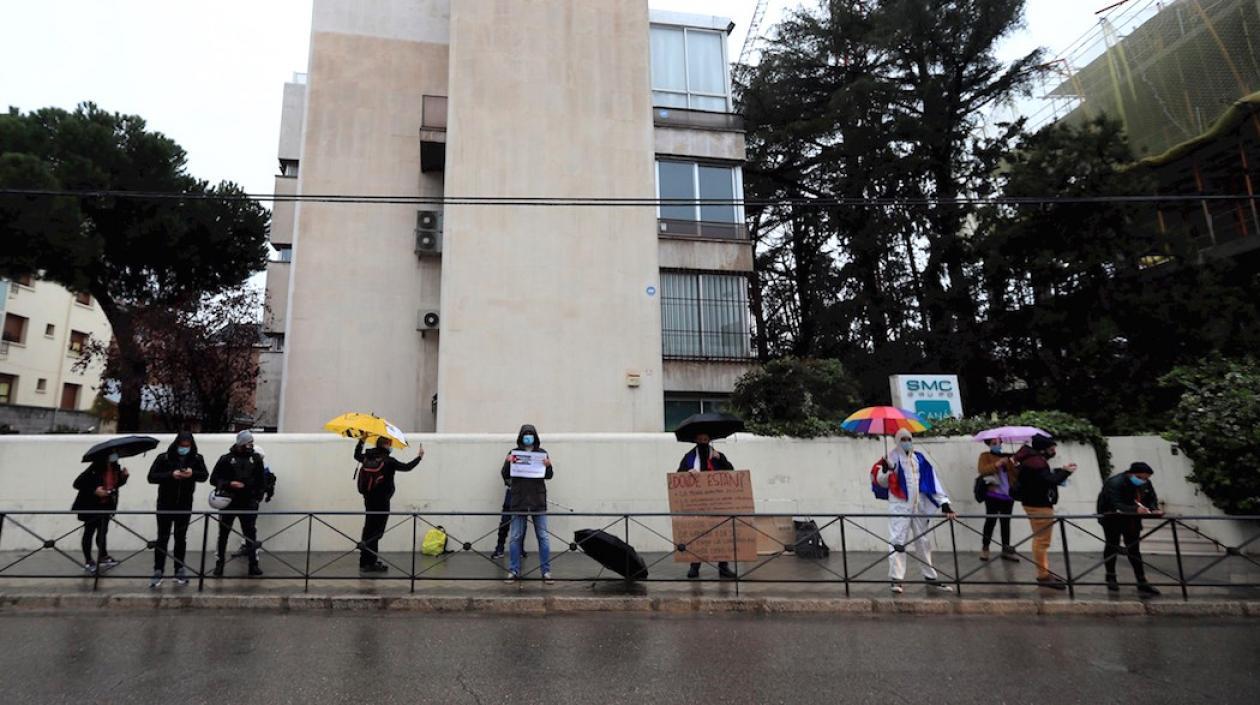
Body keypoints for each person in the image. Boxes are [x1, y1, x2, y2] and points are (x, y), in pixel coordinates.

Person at [874, 429, 956, 593]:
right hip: (899, 505)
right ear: (897, 441)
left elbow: (932, 481)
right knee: (897, 540)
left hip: (919, 506)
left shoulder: (919, 458)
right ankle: (896, 579)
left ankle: (930, 577)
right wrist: (886, 470)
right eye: (902, 439)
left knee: (923, 541)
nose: (906, 441)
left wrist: (944, 503)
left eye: (908, 438)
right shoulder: (890, 458)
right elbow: (881, 482)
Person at [1012, 434, 1077, 589]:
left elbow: (1041, 478)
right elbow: (1049, 480)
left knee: (1040, 540)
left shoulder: (1032, 461)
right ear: (1043, 450)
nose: (1054, 451)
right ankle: (1043, 576)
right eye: (1052, 448)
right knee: (1042, 541)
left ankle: (1044, 573)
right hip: (1039, 505)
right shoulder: (1036, 463)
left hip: (1032, 503)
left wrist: (1059, 471)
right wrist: (1066, 472)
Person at [147, 432, 208, 588]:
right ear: (177, 444)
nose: (184, 448)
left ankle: (179, 568)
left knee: (181, 538)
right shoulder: (164, 457)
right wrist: (171, 475)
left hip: (184, 504)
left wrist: (192, 473)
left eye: (187, 446)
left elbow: (204, 475)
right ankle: (158, 569)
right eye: (182, 445)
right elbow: (152, 477)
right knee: (162, 537)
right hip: (165, 503)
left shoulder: (196, 458)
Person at [353, 436, 423, 572]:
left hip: (368, 499)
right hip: (383, 502)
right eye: (390, 444)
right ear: (385, 445)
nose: (391, 447)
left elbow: (356, 455)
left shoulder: (367, 457)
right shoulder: (389, 461)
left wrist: (362, 440)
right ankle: (370, 563)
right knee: (377, 532)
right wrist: (419, 457)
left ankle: (365, 561)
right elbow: (407, 467)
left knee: (368, 529)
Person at [676, 432, 737, 580]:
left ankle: (723, 567)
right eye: (700, 438)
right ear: (695, 439)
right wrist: (687, 473)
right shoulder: (689, 457)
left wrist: (720, 459)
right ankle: (694, 567)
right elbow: (678, 475)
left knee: (721, 534)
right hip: (697, 503)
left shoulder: (717, 455)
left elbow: (731, 472)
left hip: (717, 502)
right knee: (697, 534)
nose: (703, 440)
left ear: (709, 439)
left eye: (706, 438)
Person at [1097, 461, 1161, 596]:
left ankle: (1142, 581)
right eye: (1141, 477)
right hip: (1112, 518)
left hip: (1132, 519)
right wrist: (1135, 509)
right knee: (1112, 545)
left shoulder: (1145, 483)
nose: (1144, 481)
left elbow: (1151, 497)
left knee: (1134, 549)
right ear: (1131, 473)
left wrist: (1154, 508)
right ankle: (1111, 577)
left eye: (1146, 478)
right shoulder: (1114, 482)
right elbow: (1116, 502)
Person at [501, 424, 553, 584]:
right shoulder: (513, 453)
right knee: (515, 537)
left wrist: (549, 466)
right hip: (519, 501)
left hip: (537, 501)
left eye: (531, 433)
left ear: (535, 436)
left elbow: (549, 476)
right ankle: (513, 571)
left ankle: (546, 572)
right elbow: (505, 474)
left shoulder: (542, 453)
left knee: (543, 537)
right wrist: (507, 462)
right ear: (521, 436)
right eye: (526, 433)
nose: (528, 436)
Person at [210, 430, 266, 577]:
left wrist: (256, 498)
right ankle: (219, 564)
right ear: (240, 443)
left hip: (248, 502)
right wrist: (229, 484)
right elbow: (214, 479)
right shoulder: (226, 459)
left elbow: (261, 481)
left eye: (251, 443)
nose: (250, 445)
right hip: (229, 502)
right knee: (223, 534)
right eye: (248, 443)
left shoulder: (256, 459)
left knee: (250, 534)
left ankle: (253, 565)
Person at [71, 453, 129, 574]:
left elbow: (115, 486)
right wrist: (94, 491)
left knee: (102, 532)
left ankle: (103, 556)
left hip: (107, 506)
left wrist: (124, 477)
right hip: (91, 506)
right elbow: (77, 484)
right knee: (89, 532)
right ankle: (88, 560)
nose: (115, 457)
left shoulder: (115, 469)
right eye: (112, 454)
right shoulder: (94, 469)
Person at [977, 439, 1018, 562]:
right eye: (994, 443)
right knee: (990, 521)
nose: (997, 445)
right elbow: (982, 470)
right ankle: (985, 548)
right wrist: (997, 464)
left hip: (1008, 494)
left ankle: (1006, 550)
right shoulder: (985, 456)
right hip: (993, 494)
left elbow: (1016, 474)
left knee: (1005, 523)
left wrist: (1014, 465)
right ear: (989, 444)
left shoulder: (1008, 456)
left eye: (999, 443)